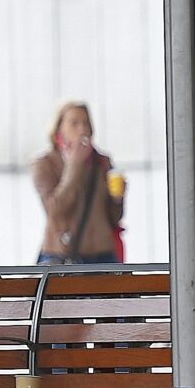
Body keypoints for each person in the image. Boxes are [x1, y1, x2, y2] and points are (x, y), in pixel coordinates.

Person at [33, 101, 125, 265]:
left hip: (102, 254)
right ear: (59, 129)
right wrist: (73, 167)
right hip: (63, 254)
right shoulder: (45, 163)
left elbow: (113, 217)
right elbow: (55, 208)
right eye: (74, 123)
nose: (82, 129)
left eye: (85, 123)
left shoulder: (102, 162)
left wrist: (118, 198)